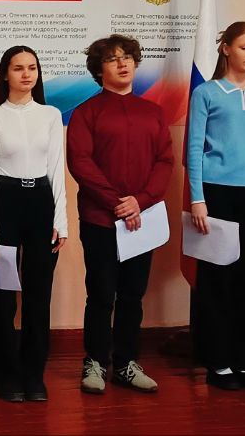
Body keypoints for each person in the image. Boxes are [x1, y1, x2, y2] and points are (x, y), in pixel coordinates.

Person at [66, 34, 172, 394]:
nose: (123, 63)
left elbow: (165, 161)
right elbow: (81, 162)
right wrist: (117, 203)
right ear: (99, 69)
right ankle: (95, 362)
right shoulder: (86, 113)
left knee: (132, 294)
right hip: (100, 219)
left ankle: (126, 363)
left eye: (127, 57)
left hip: (143, 220)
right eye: (113, 59)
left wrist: (140, 201)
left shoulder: (153, 113)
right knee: (101, 293)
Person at [185, 21, 245, 391]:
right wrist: (198, 198)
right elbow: (194, 147)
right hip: (216, 194)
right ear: (226, 48)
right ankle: (218, 362)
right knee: (217, 280)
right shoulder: (207, 93)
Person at [0, 45, 68, 402]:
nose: (26, 74)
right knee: (2, 298)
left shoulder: (50, 115)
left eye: (32, 68)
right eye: (18, 68)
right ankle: (6, 375)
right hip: (5, 201)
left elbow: (57, 170)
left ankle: (33, 374)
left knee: (38, 295)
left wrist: (61, 220)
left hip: (41, 202)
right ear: (5, 74)